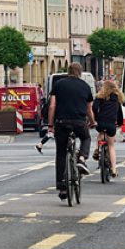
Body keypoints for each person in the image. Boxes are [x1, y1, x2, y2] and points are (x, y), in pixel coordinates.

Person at [48, 63, 95, 200]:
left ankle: (62, 187)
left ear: (68, 71)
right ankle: (81, 158)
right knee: (86, 138)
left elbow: (52, 106)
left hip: (61, 122)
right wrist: (92, 122)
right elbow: (88, 110)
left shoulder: (59, 85)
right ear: (80, 73)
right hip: (79, 122)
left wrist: (50, 124)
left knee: (61, 153)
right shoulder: (85, 87)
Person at [92, 80, 125, 177]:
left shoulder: (100, 97)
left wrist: (96, 118)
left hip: (101, 122)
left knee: (100, 135)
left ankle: (97, 150)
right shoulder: (117, 99)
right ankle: (114, 169)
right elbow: (119, 113)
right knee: (111, 146)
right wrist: (119, 123)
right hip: (111, 124)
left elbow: (94, 108)